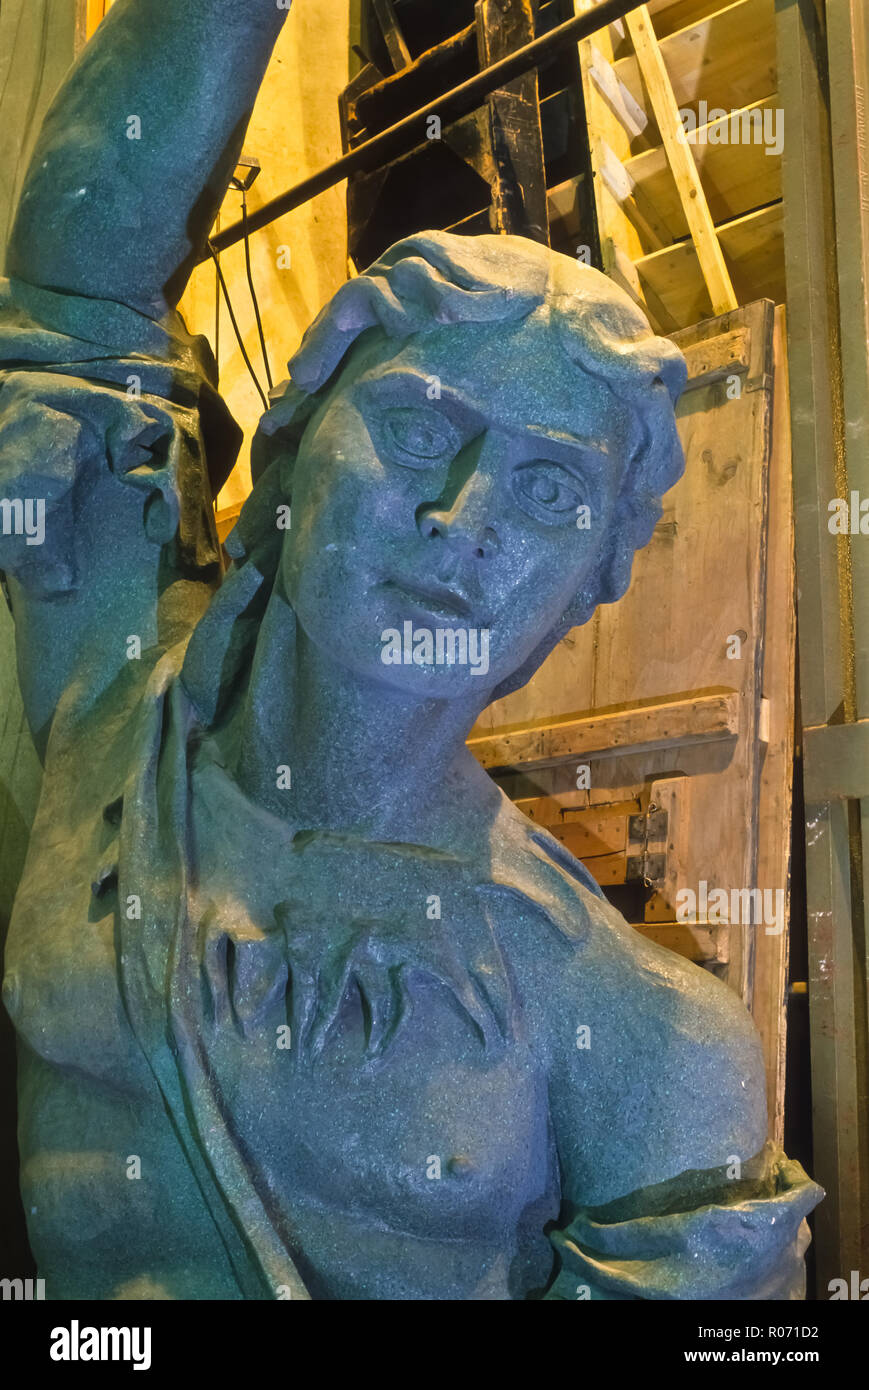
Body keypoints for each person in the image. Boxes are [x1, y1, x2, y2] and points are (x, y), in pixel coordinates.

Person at [0, 0, 821, 1299]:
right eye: (422, 429)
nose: (465, 525)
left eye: (550, 494)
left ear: (588, 589)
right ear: (286, 453)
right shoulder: (112, 718)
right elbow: (69, 298)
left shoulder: (636, 1043)